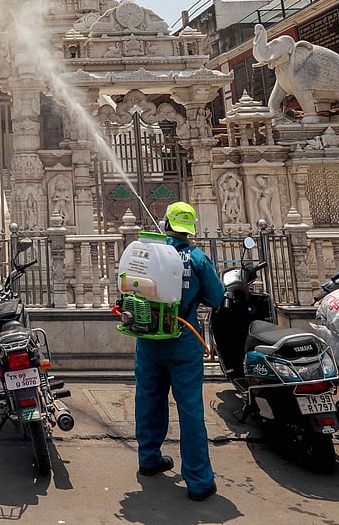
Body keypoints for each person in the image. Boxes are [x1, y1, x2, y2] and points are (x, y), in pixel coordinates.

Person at [134, 201, 225, 501]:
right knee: (189, 410)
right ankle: (198, 481)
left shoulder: (150, 254)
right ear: (191, 229)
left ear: (167, 225)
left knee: (148, 398)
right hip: (183, 337)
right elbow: (216, 297)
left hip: (148, 337)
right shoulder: (197, 259)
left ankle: (148, 459)